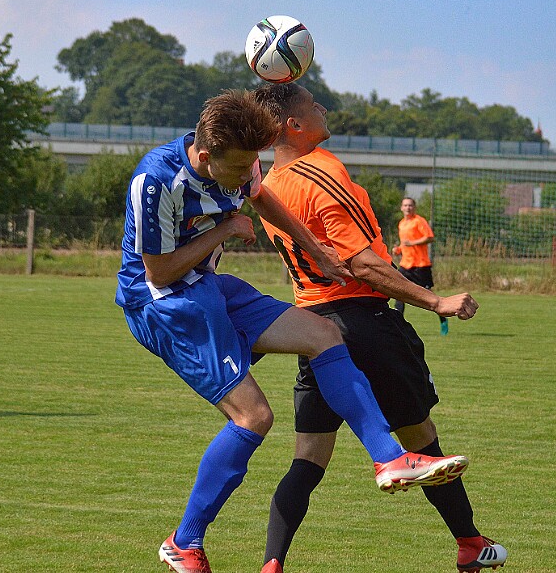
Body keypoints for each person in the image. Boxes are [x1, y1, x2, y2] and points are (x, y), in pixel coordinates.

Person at [115, 90, 471, 573]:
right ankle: (185, 541)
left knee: (324, 333)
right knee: (254, 417)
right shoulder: (155, 180)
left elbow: (264, 200)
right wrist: (223, 230)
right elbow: (158, 272)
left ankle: (389, 459)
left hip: (212, 286)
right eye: (240, 169)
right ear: (204, 156)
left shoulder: (239, 163)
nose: (249, 176)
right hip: (166, 305)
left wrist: (318, 252)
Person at [252, 83, 505, 573]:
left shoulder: (271, 184)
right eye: (312, 105)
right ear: (295, 126)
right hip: (363, 324)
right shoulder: (319, 170)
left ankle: (271, 564)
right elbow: (363, 264)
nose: (323, 108)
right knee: (422, 439)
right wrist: (436, 301)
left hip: (313, 326)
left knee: (308, 459)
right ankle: (471, 544)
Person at [392, 196, 449, 335]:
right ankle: (398, 326)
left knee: (428, 295)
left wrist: (413, 243)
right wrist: (398, 250)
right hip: (405, 265)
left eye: (410, 205)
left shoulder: (419, 221)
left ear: (414, 207)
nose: (408, 208)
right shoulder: (401, 224)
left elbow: (430, 237)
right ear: (401, 208)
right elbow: (404, 243)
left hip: (421, 265)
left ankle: (443, 318)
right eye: (405, 205)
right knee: (398, 292)